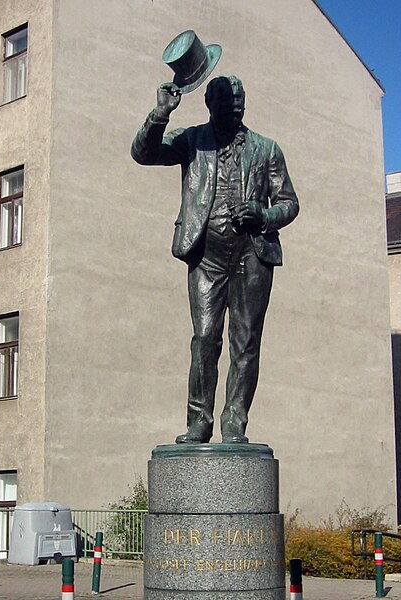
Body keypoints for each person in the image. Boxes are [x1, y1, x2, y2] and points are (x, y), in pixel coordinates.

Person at [131, 75, 299, 444]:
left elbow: (289, 202)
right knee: (205, 338)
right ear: (210, 105)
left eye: (240, 102)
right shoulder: (192, 141)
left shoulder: (267, 149)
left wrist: (263, 214)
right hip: (207, 255)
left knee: (246, 341)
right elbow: (144, 153)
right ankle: (199, 421)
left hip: (253, 254)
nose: (236, 108)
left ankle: (235, 420)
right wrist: (161, 113)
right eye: (228, 103)